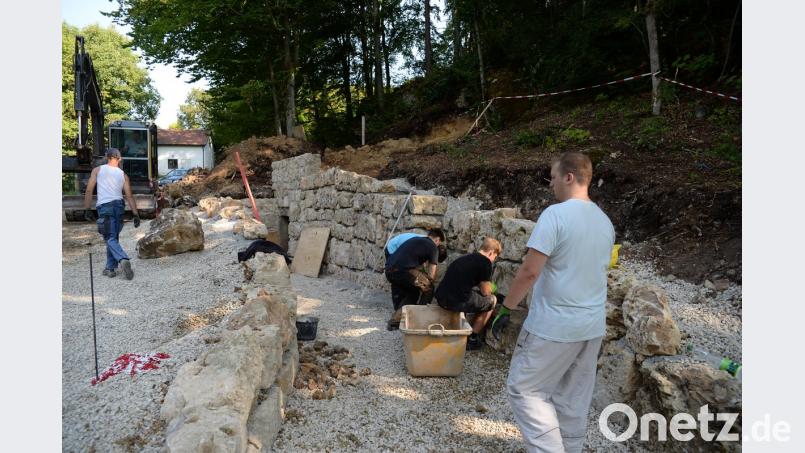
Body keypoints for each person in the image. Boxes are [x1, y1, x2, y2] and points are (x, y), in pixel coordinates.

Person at [491, 151, 614, 453]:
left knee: (525, 389)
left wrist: (506, 308)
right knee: (572, 398)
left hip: (554, 326)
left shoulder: (555, 215)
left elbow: (530, 271)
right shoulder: (605, 222)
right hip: (592, 326)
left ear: (569, 177)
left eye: (554, 176)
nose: (551, 184)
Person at [83, 148, 142, 280]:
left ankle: (123, 259)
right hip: (119, 206)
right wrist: (135, 214)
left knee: (109, 238)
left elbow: (88, 190)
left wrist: (87, 209)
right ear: (119, 159)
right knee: (113, 237)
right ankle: (110, 268)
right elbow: (129, 196)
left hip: (105, 207)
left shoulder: (97, 170)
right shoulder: (123, 175)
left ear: (106, 157)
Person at [435, 237, 502, 350]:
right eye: (495, 257)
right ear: (491, 252)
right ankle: (472, 338)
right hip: (456, 302)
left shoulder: (464, 258)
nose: (493, 260)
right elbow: (486, 292)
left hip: (441, 297)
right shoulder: (485, 263)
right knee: (492, 301)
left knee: (472, 294)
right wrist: (493, 290)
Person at [384, 228, 445, 330]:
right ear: (437, 239)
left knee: (414, 292)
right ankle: (419, 320)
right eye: (439, 243)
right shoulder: (433, 247)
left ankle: (394, 322)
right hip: (403, 271)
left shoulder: (415, 240)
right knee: (429, 288)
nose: (438, 246)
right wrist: (429, 280)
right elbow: (431, 273)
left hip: (389, 270)